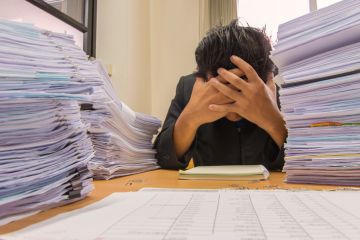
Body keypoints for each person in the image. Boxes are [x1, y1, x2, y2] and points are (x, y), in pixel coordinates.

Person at [154, 19, 287, 170]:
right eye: (222, 90)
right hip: (207, 189)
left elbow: (312, 160)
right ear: (206, 77)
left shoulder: (280, 93)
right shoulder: (189, 88)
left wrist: (275, 122)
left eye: (242, 91)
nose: (234, 109)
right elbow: (161, 158)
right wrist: (190, 119)